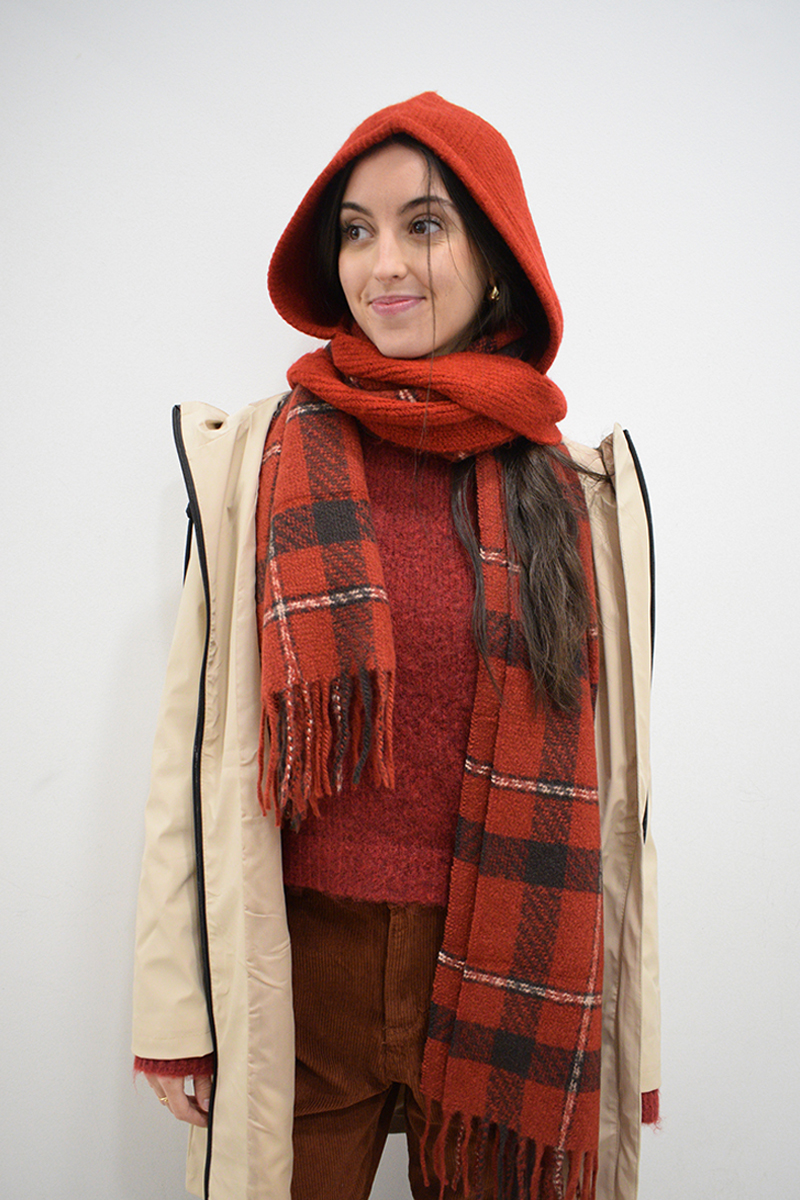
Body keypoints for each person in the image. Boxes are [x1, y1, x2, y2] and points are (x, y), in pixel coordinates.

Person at [132, 92, 660, 1200]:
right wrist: (176, 1010)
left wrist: (632, 1032)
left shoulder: (573, 492)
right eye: (356, 231)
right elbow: (193, 749)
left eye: (423, 225)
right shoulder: (260, 460)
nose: (382, 265)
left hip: (505, 970)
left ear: (496, 260)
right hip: (302, 972)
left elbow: (620, 800)